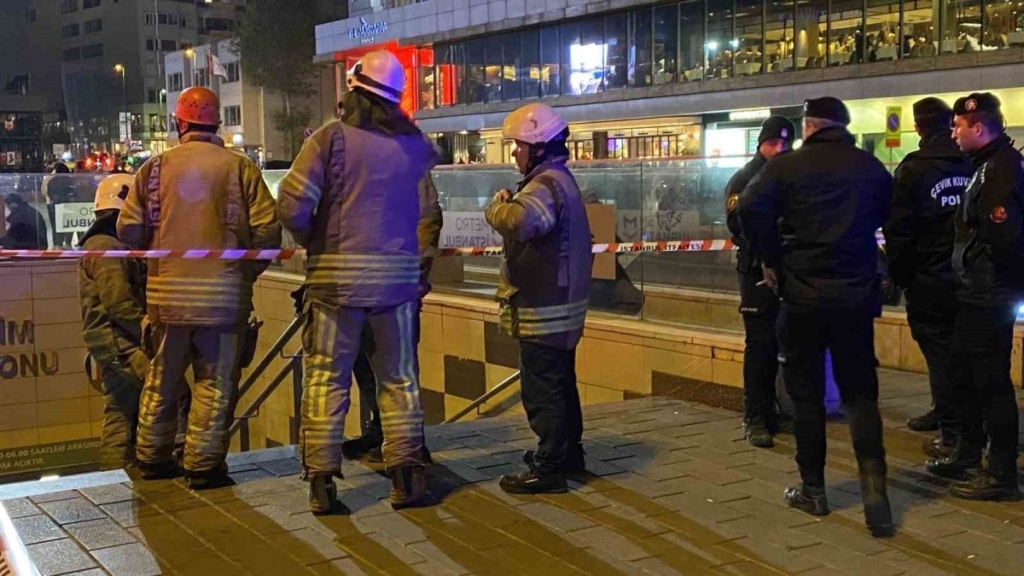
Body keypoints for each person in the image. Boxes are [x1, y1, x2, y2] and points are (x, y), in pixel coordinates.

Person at [277, 50, 438, 514]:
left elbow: (291, 207)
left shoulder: (329, 141)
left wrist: (316, 239)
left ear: (353, 89)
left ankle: (323, 485)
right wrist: (415, 272)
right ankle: (407, 478)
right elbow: (429, 219)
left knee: (327, 379)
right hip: (398, 288)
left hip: (335, 286)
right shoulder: (414, 146)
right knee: (399, 379)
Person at [739, 97, 894, 537]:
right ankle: (875, 493)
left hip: (802, 296)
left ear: (809, 126)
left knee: (806, 396)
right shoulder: (868, 166)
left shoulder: (787, 168)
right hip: (855, 296)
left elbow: (751, 208)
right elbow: (893, 213)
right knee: (861, 394)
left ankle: (814, 489)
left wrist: (771, 257)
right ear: (843, 127)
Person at [118, 86, 282, 489]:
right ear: (216, 123)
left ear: (180, 122)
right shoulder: (240, 167)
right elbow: (268, 230)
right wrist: (243, 276)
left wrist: (157, 261)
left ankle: (153, 460)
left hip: (166, 301)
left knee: (162, 381)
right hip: (223, 303)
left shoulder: (154, 169)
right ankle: (203, 467)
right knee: (215, 384)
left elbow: (128, 228)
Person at [485, 102, 593, 495]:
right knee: (562, 384)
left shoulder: (544, 185)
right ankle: (567, 455)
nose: (515, 153)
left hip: (543, 309)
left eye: (518, 145)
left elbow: (521, 221)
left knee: (542, 389)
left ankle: (549, 468)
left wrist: (497, 207)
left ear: (538, 145)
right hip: (560, 309)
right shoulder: (561, 180)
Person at [927, 93, 1024, 501]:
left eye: (958, 126)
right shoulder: (985, 166)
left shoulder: (1000, 170)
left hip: (990, 296)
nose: (952, 133)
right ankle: (968, 453)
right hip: (977, 293)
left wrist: (996, 289)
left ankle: (1000, 473)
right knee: (964, 375)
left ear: (978, 128)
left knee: (991, 383)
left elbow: (1005, 240)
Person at [882, 98, 973, 459]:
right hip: (968, 278)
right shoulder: (972, 163)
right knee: (962, 354)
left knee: (941, 357)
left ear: (917, 128)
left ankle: (953, 436)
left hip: (929, 281)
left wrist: (902, 277)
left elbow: (898, 232)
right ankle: (952, 417)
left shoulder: (913, 170)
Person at [337, 172, 443, 464]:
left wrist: (414, 275)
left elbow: (428, 221)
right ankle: (381, 430)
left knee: (398, 373)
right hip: (356, 290)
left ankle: (410, 446)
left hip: (394, 290)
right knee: (365, 365)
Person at [724, 115, 795, 448]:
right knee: (760, 343)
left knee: (783, 342)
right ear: (760, 144)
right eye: (772, 143)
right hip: (755, 270)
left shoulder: (792, 175)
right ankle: (754, 415)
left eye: (784, 143)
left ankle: (772, 409)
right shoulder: (744, 179)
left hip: (787, 268)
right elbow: (737, 224)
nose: (778, 149)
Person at [78, 174, 148, 470]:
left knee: (120, 411)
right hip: (121, 341)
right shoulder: (108, 248)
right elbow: (119, 303)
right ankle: (150, 467)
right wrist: (147, 329)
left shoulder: (104, 244)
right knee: (170, 394)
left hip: (111, 340)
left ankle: (113, 482)